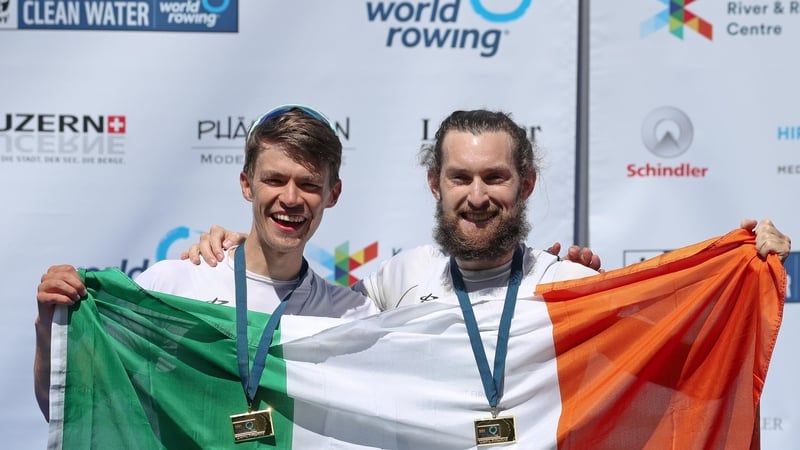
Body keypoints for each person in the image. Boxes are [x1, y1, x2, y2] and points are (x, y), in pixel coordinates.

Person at [185, 109, 791, 312]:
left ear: (525, 184)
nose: (477, 195)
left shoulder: (571, 285)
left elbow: (673, 319)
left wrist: (746, 262)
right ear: (435, 185)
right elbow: (287, 296)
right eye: (461, 178)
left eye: (495, 177)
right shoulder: (394, 284)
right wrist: (240, 247)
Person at [33, 104, 381, 420]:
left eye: (308, 185)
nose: (290, 199)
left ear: (332, 195)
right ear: (247, 185)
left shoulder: (352, 318)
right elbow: (75, 409)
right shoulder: (172, 286)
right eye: (274, 180)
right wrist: (51, 325)